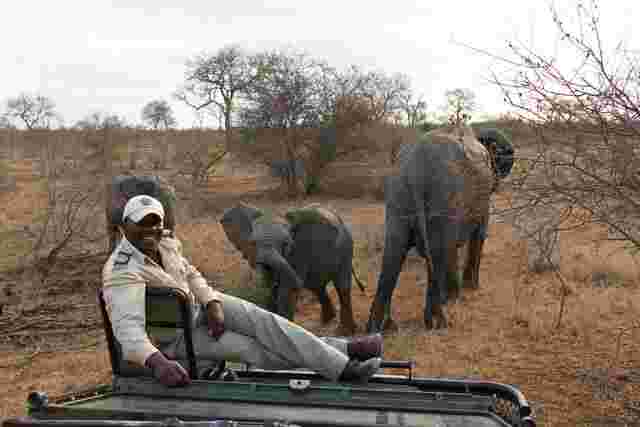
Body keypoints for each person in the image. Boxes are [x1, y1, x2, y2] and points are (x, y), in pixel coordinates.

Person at [102, 194, 383, 387]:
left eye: (155, 222)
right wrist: (158, 363)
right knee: (256, 349)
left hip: (201, 307)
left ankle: (346, 350)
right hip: (176, 338)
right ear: (125, 227)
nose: (150, 229)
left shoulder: (165, 242)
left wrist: (211, 301)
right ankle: (345, 365)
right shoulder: (122, 270)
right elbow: (129, 333)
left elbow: (190, 273)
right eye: (142, 223)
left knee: (267, 322)